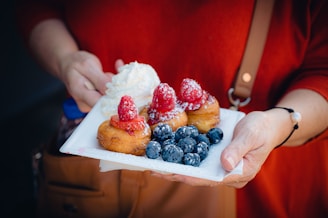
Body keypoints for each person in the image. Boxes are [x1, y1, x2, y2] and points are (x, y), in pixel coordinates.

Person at [16, 0, 328, 217]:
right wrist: (65, 59)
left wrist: (284, 121)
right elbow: (37, 6)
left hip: (254, 188)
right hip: (96, 179)